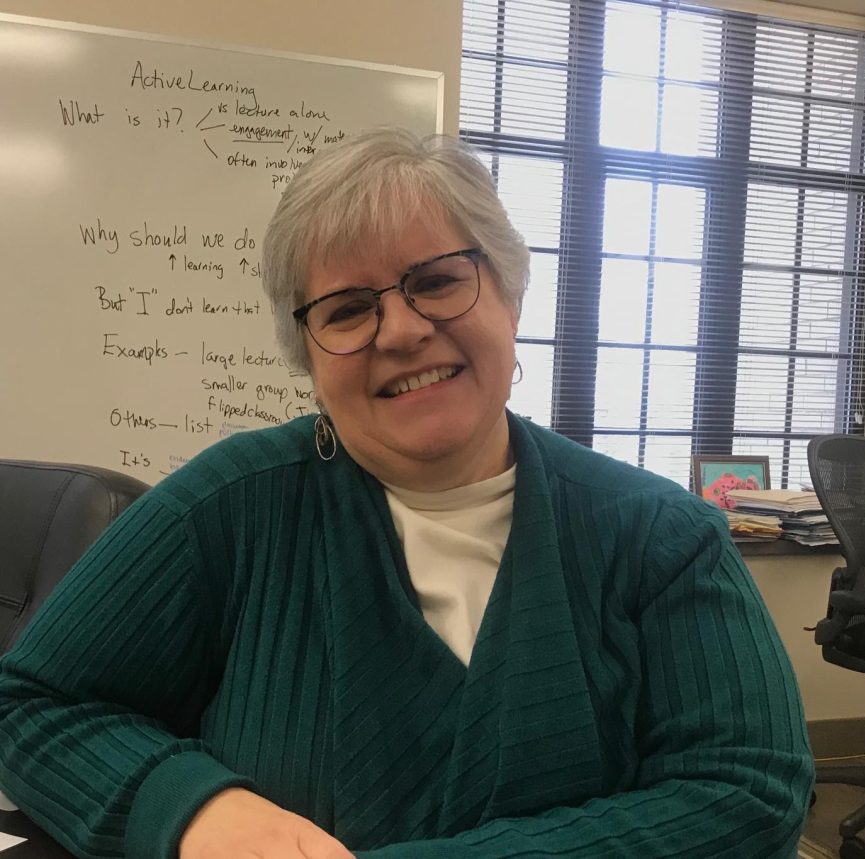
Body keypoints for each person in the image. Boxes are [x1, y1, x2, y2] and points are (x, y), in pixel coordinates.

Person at [0, 128, 813, 859]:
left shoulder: (663, 537)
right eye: (348, 308)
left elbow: (749, 792)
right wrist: (192, 808)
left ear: (509, 293)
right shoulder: (227, 506)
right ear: (309, 357)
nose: (400, 330)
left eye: (436, 279)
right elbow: (29, 702)